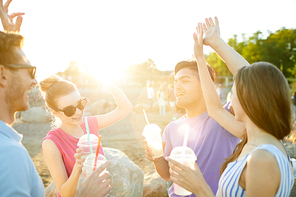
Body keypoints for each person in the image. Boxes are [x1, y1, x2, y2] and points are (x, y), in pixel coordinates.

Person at [168, 17, 294, 196]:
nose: (230, 98)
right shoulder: (254, 139)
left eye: (233, 92)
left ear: (250, 99)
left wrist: (201, 188)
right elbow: (215, 109)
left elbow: (252, 81)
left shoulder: (262, 158)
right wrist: (208, 50)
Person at [0, 0, 115, 196]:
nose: (35, 80)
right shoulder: (10, 154)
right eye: (29, 69)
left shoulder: (8, 145)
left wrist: (10, 38)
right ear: (2, 75)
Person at [144, 57, 243, 195]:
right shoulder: (171, 129)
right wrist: (157, 158)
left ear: (205, 85)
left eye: (184, 81)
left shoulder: (225, 117)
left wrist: (216, 43)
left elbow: (251, 82)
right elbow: (167, 175)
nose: (177, 86)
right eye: (176, 82)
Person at [40, 75, 133, 197]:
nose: (78, 112)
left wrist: (107, 81)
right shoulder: (51, 143)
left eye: (80, 104)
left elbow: (125, 108)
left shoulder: (89, 125)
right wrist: (78, 167)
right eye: (69, 110)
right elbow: (64, 193)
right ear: (55, 112)